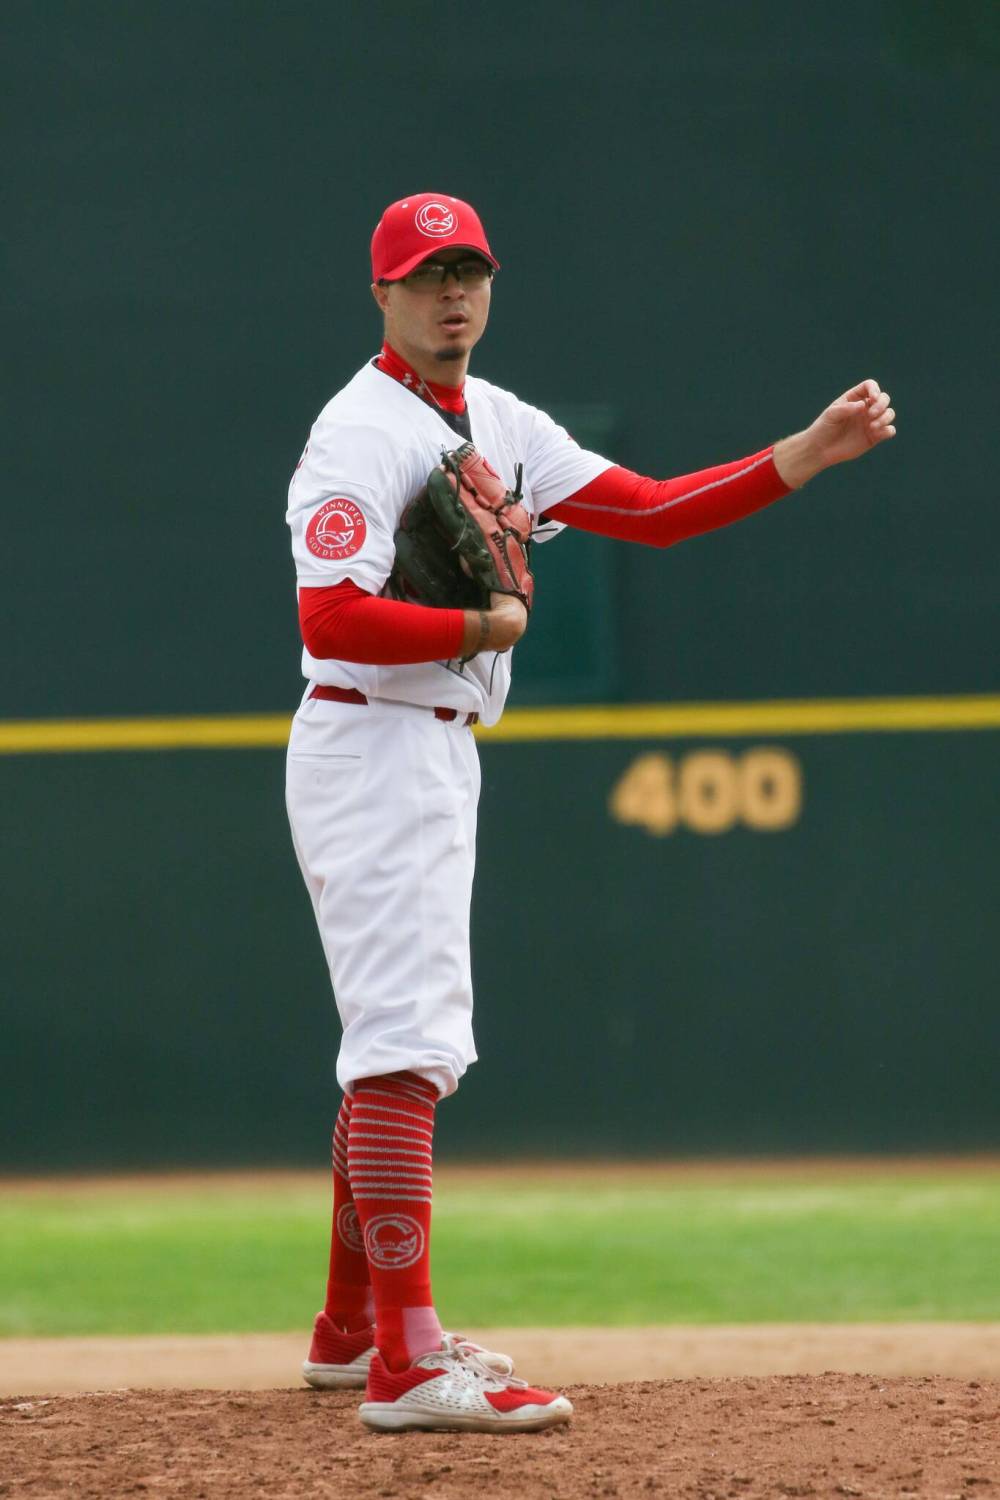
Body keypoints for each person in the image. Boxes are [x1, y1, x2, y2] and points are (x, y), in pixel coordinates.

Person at [284, 192, 896, 1433]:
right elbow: (329, 617)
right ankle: (406, 1367)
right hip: (372, 737)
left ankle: (353, 1333)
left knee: (400, 1040)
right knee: (406, 1045)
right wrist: (482, 623)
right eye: (425, 274)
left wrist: (804, 453)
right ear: (383, 295)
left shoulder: (500, 421)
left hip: (433, 744)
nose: (452, 291)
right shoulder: (357, 434)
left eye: (469, 270)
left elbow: (655, 510)